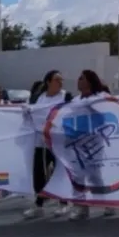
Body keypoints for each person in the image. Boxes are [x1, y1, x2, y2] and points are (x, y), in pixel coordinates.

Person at [67, 70, 117, 221]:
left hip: (94, 141)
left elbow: (110, 107)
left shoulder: (100, 97)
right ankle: (81, 207)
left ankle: (107, 203)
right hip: (76, 142)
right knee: (77, 175)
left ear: (90, 81)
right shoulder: (75, 100)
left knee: (95, 175)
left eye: (82, 78)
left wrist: (93, 105)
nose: (79, 80)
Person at [24, 70, 74, 219]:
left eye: (61, 80)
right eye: (57, 80)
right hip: (41, 142)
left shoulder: (66, 96)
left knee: (60, 172)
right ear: (48, 82)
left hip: (59, 142)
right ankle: (39, 204)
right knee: (39, 173)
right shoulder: (38, 98)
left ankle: (63, 203)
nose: (60, 82)